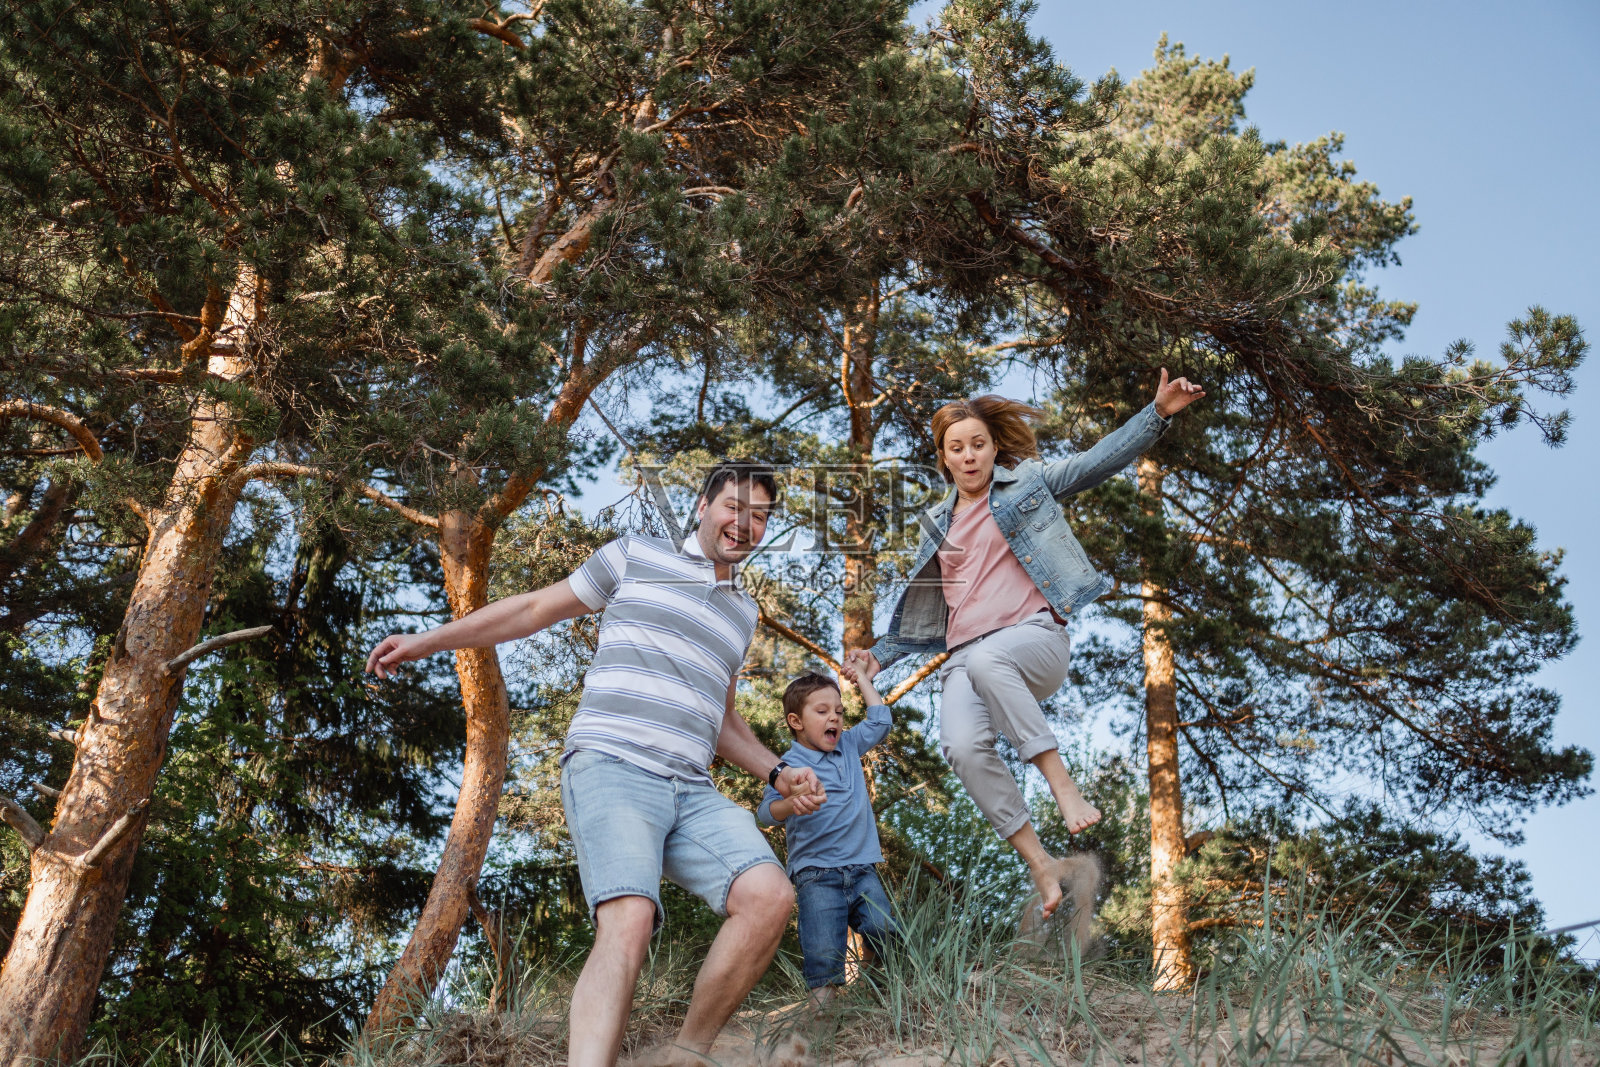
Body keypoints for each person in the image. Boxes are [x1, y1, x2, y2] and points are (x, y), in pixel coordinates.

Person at [366, 461, 824, 1067]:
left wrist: (775, 770)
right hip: (613, 765)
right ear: (703, 506)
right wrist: (428, 640)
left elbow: (722, 720)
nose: (744, 523)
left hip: (692, 787)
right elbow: (531, 610)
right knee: (629, 920)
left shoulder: (742, 615)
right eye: (733, 507)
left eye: (760, 516)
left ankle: (685, 1055)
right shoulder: (634, 555)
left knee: (769, 895)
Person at [845, 371, 1205, 918]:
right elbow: (928, 615)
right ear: (943, 457)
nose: (969, 456)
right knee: (962, 747)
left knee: (991, 656)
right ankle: (1042, 865)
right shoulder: (935, 525)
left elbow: (1095, 462)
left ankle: (1063, 788)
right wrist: (878, 656)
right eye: (956, 448)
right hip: (965, 659)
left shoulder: (1027, 486)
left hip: (1033, 641)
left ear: (993, 448)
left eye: (978, 444)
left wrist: (1156, 412)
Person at [757, 660, 896, 1009]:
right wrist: (791, 803)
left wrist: (862, 678)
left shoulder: (848, 745)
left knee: (885, 928)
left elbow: (881, 720)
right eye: (822, 711)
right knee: (822, 954)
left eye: (838, 710)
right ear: (796, 722)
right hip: (816, 875)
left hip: (863, 868)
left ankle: (876, 987)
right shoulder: (788, 767)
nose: (834, 717)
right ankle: (821, 1021)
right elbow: (764, 813)